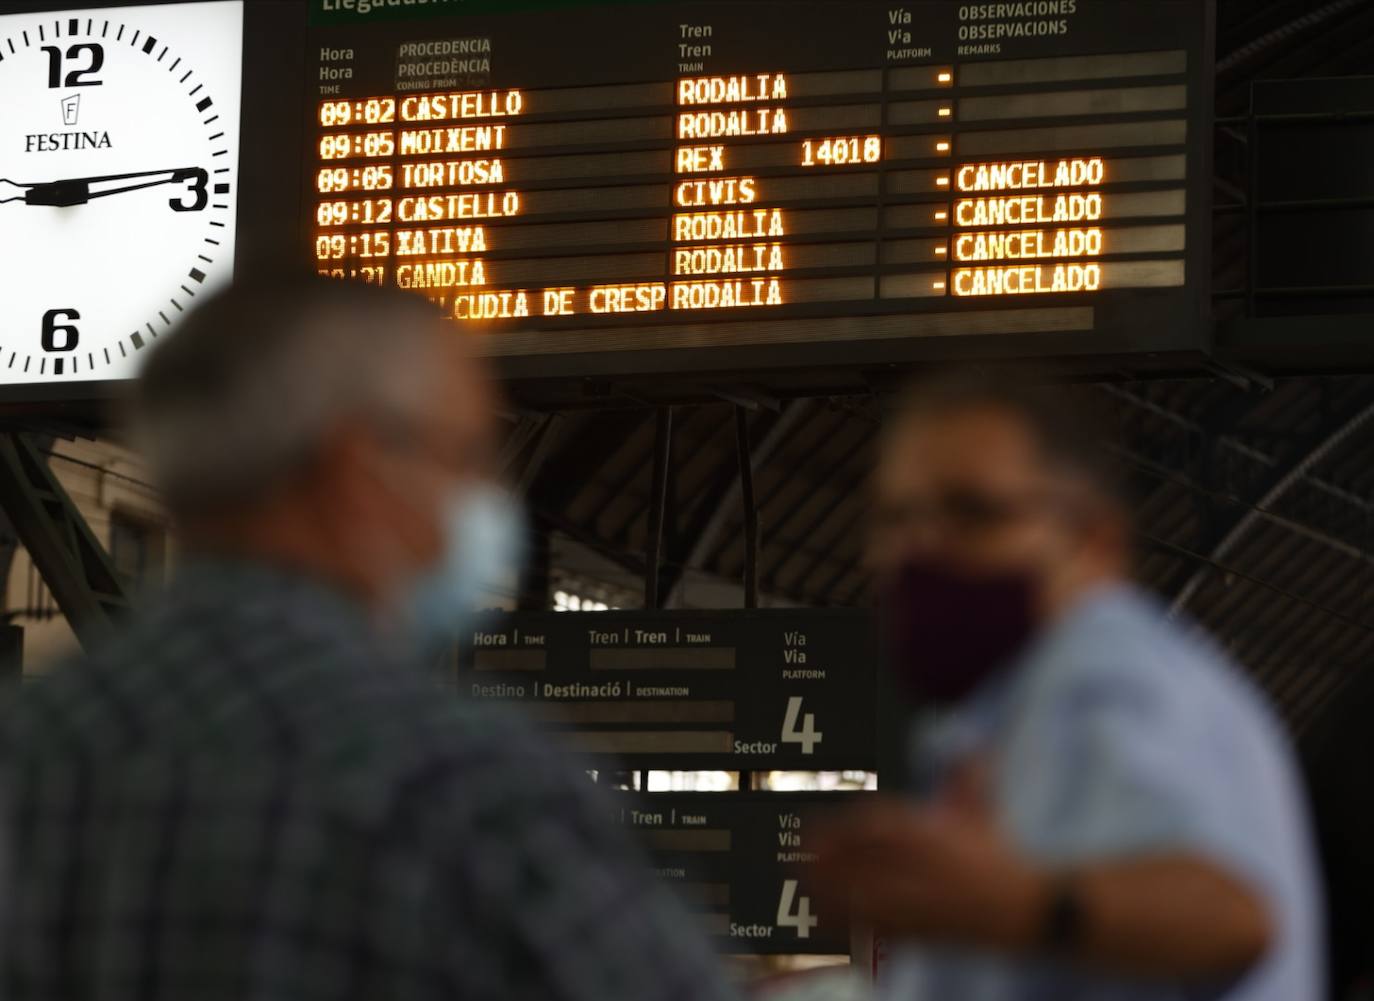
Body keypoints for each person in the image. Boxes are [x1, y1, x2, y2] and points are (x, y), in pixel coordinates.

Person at [0, 278, 740, 1001]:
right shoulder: (466, 783)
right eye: (466, 454)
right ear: (359, 470)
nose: (486, 496)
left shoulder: (31, 751)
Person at [812, 373, 1323, 1000]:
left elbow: (1231, 915)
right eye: (895, 518)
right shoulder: (1001, 704)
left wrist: (1031, 906)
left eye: (973, 512)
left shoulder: (1107, 674)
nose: (919, 547)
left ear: (1092, 540)